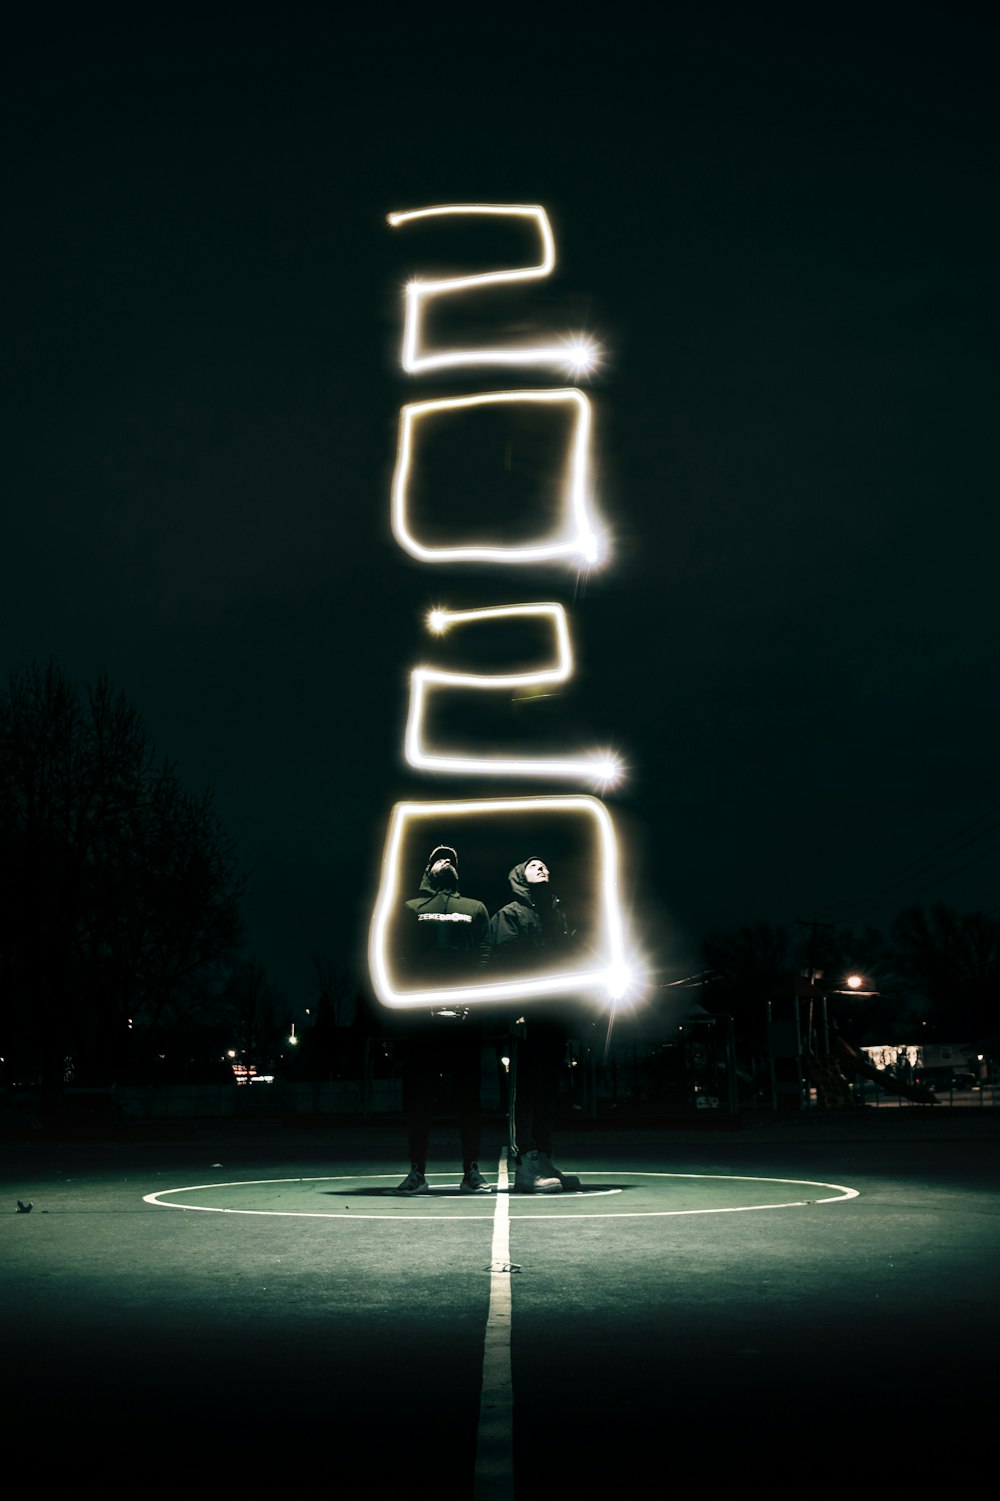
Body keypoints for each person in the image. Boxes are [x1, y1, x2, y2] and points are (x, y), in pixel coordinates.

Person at [393, 844, 493, 1196]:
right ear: (427, 869)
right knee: (419, 1095)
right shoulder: (411, 908)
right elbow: (399, 953)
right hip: (423, 1017)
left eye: (451, 858)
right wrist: (420, 997)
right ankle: (417, 1171)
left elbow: (486, 952)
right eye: (438, 858)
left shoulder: (475, 908)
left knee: (469, 1096)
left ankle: (471, 1171)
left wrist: (470, 998)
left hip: (466, 1016)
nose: (445, 860)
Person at [490, 856, 581, 1194]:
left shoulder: (556, 916)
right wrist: (514, 1010)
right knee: (525, 1090)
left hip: (555, 1013)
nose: (543, 868)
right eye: (534, 866)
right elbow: (504, 965)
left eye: (546, 865)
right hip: (528, 1012)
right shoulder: (510, 914)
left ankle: (543, 1157)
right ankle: (526, 1162)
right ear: (520, 876)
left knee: (548, 1090)